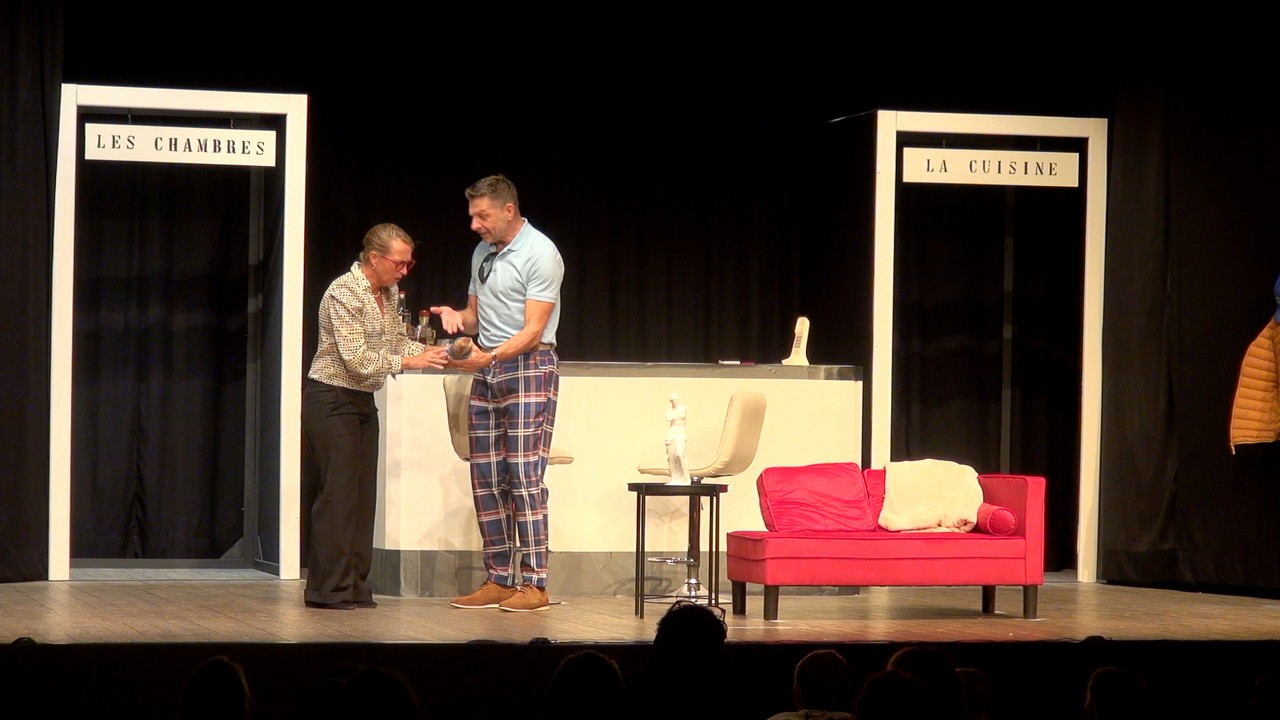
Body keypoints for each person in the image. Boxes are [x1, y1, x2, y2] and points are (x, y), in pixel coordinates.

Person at [433, 174, 565, 613]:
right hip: (488, 370)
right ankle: (500, 578)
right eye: (472, 216)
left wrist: (488, 357)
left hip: (528, 367)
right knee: (486, 475)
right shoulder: (482, 252)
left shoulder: (540, 253)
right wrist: (457, 316)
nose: (475, 224)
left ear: (508, 210)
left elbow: (533, 330)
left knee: (523, 476)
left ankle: (536, 584)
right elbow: (476, 317)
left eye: (482, 216)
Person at [302, 222, 447, 610]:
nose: (404, 271)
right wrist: (408, 362)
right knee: (338, 498)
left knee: (363, 497)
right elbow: (357, 359)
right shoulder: (344, 292)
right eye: (399, 263)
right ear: (374, 259)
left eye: (408, 264)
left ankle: (353, 585)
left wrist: (433, 353)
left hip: (363, 401)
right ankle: (327, 589)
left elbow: (395, 341)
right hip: (332, 399)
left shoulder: (388, 292)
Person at [665, 393, 690, 484]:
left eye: (675, 400)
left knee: (679, 454)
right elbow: (669, 418)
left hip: (680, 433)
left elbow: (680, 416)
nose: (674, 402)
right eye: (672, 400)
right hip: (672, 433)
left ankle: (686, 478)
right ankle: (674, 478)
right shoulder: (669, 411)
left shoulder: (683, 408)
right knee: (671, 457)